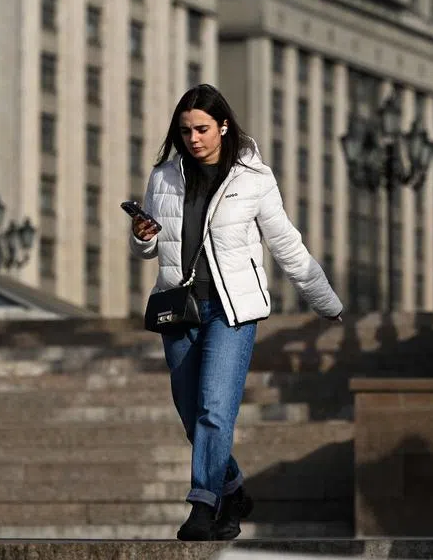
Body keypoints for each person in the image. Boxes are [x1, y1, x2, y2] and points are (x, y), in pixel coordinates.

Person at [128, 84, 344, 541]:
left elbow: (286, 243)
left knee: (214, 410)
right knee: (191, 414)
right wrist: (143, 235)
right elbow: (151, 248)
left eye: (203, 129)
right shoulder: (164, 177)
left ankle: (203, 504)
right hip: (178, 309)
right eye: (186, 130)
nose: (194, 139)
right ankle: (233, 489)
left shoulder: (254, 178)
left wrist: (325, 300)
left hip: (232, 310)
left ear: (223, 126)